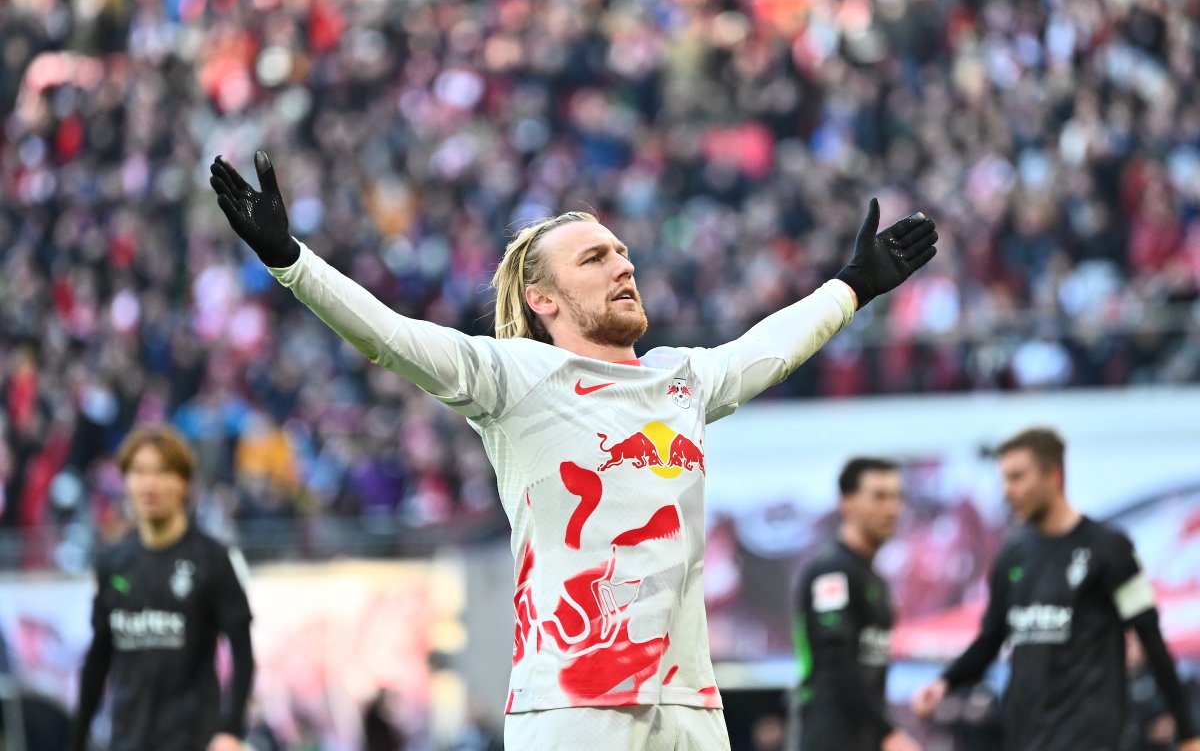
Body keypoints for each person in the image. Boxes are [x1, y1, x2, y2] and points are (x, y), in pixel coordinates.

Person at [208, 151, 937, 749]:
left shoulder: (679, 380)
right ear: (543, 300)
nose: (623, 266)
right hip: (574, 700)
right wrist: (290, 260)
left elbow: (767, 348)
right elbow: (391, 338)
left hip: (690, 702)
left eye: (623, 253)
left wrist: (853, 286)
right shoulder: (512, 378)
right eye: (595, 259)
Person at [910, 427, 1200, 751]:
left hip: (1090, 736)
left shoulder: (1109, 549)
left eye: (1018, 477)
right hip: (1026, 733)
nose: (1008, 491)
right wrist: (947, 682)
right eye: (1004, 479)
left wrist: (1188, 733)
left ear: (1054, 475)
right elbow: (991, 638)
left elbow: (1150, 636)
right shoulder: (1013, 554)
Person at [70, 425, 255, 751]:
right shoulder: (113, 563)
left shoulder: (212, 559)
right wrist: (77, 740)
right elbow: (98, 658)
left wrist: (231, 730)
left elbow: (242, 653)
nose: (149, 483)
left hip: (194, 740)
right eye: (138, 471)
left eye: (162, 471)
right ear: (125, 481)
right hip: (128, 741)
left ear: (183, 483)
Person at [791, 458, 921, 751]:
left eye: (897, 497)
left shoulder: (875, 578)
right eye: (879, 496)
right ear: (847, 503)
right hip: (829, 738)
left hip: (865, 738)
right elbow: (837, 663)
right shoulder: (831, 573)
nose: (892, 508)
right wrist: (890, 733)